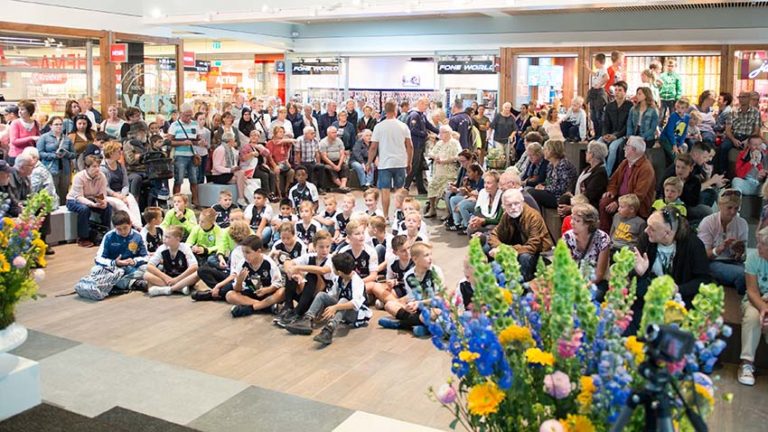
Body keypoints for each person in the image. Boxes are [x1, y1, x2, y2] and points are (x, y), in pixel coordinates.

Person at [631, 205, 711, 334]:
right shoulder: (646, 238)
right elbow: (634, 274)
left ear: (667, 233)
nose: (646, 230)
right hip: (649, 296)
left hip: (679, 300)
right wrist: (641, 272)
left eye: (651, 228)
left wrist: (678, 289)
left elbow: (703, 280)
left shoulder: (693, 244)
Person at [285, 252, 371, 345]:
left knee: (343, 300)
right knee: (322, 295)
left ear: (339, 272)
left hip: (357, 314)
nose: (331, 268)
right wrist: (321, 308)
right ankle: (307, 319)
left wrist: (335, 307)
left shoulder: (356, 281)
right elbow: (333, 295)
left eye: (333, 267)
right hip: (343, 309)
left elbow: (355, 303)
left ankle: (329, 329)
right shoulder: (339, 278)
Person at [488, 188, 553, 282]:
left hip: (537, 253)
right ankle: (496, 280)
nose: (513, 207)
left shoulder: (533, 217)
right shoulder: (506, 215)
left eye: (516, 203)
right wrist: (500, 247)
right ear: (503, 207)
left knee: (524, 257)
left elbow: (532, 246)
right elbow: (494, 235)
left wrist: (506, 250)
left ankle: (524, 283)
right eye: (509, 205)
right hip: (515, 248)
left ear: (522, 202)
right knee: (487, 247)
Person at [277, 230, 335, 327]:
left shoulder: (331, 258)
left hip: (322, 297)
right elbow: (288, 262)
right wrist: (292, 272)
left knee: (312, 275)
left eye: (327, 247)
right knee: (293, 272)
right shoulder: (310, 256)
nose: (325, 250)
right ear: (315, 246)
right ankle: (288, 307)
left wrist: (299, 268)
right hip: (307, 294)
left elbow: (323, 270)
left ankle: (298, 312)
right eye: (321, 247)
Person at [598, 136, 656, 232]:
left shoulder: (646, 169)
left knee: (612, 206)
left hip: (636, 204)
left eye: (627, 146)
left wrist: (618, 204)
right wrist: (611, 191)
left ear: (634, 150)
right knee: (605, 202)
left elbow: (638, 196)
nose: (624, 148)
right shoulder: (625, 163)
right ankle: (604, 233)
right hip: (621, 198)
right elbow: (613, 180)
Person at [697, 189, 748, 295]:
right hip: (713, 262)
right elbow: (702, 255)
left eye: (736, 208)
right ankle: (744, 296)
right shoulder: (708, 222)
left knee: (754, 273)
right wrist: (718, 250)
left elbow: (742, 258)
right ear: (720, 206)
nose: (733, 212)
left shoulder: (742, 223)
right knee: (743, 275)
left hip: (734, 262)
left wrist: (739, 253)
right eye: (729, 208)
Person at [369, 101, 413, 219]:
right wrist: (409, 162)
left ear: (385, 110)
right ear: (396, 110)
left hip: (385, 163)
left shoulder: (379, 126)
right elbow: (410, 146)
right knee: (400, 190)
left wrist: (369, 163)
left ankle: (385, 216)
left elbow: (373, 147)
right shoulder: (403, 126)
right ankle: (401, 214)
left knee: (385, 190)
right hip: (400, 162)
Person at [738, 226, 768, 386]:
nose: (757, 247)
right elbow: (752, 291)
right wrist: (764, 309)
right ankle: (746, 363)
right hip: (755, 301)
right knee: (752, 315)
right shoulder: (754, 258)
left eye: (762, 244)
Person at [226, 235, 285, 318]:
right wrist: (239, 281)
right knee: (229, 295)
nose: (245, 255)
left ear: (258, 251)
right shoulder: (242, 264)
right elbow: (237, 289)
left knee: (282, 291)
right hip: (251, 294)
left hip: (267, 293)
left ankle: (252, 308)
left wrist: (267, 289)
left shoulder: (268, 263)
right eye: (243, 252)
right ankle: (266, 307)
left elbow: (278, 283)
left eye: (248, 252)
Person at [93, 210, 148, 293]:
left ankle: (121, 282)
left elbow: (146, 257)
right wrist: (115, 262)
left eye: (125, 228)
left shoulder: (138, 236)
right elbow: (98, 258)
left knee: (149, 268)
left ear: (130, 224)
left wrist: (134, 261)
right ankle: (133, 283)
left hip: (132, 268)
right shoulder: (109, 236)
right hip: (113, 269)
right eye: (119, 229)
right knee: (95, 270)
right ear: (114, 227)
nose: (123, 231)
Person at [66, 155, 112, 248]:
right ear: (87, 167)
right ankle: (83, 238)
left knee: (108, 207)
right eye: (94, 166)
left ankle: (105, 232)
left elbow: (102, 193)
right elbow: (79, 197)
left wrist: (103, 202)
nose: (97, 169)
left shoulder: (101, 176)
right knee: (84, 209)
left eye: (98, 166)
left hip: (92, 198)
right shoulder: (79, 177)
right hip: (74, 199)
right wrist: (93, 204)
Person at [563, 203, 611, 287]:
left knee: (593, 295)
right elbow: (567, 266)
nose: (571, 223)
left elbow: (599, 274)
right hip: (574, 278)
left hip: (595, 281)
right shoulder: (567, 237)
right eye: (572, 219)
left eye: (577, 220)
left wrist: (584, 287)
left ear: (588, 224)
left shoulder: (603, 239)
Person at [144, 225, 199, 297]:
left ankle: (167, 288)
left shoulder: (185, 248)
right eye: (164, 236)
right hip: (168, 277)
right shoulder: (162, 248)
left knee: (198, 274)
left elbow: (194, 266)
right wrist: (165, 277)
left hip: (183, 277)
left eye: (167, 237)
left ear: (178, 239)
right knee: (146, 275)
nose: (164, 239)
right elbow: (150, 266)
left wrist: (176, 279)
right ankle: (179, 288)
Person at [101, 142, 142, 229]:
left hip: (121, 192)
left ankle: (139, 224)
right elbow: (105, 187)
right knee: (120, 204)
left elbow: (126, 184)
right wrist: (117, 195)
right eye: (118, 151)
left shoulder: (120, 166)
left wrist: (123, 195)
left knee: (131, 200)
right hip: (108, 194)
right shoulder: (103, 168)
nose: (121, 153)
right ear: (111, 153)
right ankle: (134, 225)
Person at [718, 92, 761, 175]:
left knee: (755, 148)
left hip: (749, 136)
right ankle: (723, 173)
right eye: (739, 97)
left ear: (749, 98)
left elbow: (756, 131)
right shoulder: (733, 111)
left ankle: (749, 173)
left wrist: (748, 140)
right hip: (734, 136)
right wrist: (734, 140)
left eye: (744, 97)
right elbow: (728, 130)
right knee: (723, 147)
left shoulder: (755, 112)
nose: (741, 99)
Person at [36, 116, 75, 206]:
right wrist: (54, 155)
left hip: (65, 170)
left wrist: (66, 154)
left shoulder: (67, 139)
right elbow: (40, 153)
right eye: (56, 124)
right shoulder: (44, 137)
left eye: (61, 124)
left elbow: (73, 154)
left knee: (64, 192)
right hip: (50, 168)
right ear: (50, 126)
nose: (59, 126)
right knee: (52, 192)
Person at [528, 139, 578, 209]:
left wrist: (545, 188)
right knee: (531, 191)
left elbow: (562, 188)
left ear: (553, 151)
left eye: (546, 149)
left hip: (560, 197)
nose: (543, 151)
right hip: (551, 192)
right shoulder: (550, 165)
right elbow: (549, 181)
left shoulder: (564, 165)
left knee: (531, 192)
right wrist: (542, 185)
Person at [425, 125, 461, 219]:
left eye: (442, 133)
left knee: (446, 190)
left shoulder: (454, 143)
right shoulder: (439, 143)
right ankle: (432, 209)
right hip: (438, 172)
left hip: (450, 173)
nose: (440, 135)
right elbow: (431, 153)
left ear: (448, 133)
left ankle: (447, 211)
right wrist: (435, 157)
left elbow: (458, 156)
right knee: (432, 186)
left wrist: (446, 160)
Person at [405, 97, 440, 195]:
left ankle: (421, 189)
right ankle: (405, 186)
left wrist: (440, 132)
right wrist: (426, 135)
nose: (427, 107)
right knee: (414, 166)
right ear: (420, 103)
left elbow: (429, 126)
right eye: (425, 104)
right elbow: (413, 130)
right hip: (415, 145)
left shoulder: (422, 115)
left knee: (420, 167)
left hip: (420, 145)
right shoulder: (414, 115)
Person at [168, 103, 201, 207]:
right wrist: (182, 143)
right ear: (181, 114)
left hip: (192, 154)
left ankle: (195, 200)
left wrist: (199, 142)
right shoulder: (174, 125)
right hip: (179, 155)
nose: (189, 117)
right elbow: (169, 142)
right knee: (179, 179)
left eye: (190, 115)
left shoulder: (195, 124)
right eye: (186, 115)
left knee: (194, 179)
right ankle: (176, 201)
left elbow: (196, 139)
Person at [601, 81, 632, 177]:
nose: (617, 92)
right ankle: (599, 170)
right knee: (598, 145)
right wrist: (605, 134)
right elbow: (605, 123)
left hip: (622, 135)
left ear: (625, 92)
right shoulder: (610, 106)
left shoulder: (629, 106)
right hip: (610, 133)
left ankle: (607, 173)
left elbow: (628, 125)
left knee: (613, 147)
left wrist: (616, 136)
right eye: (616, 90)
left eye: (620, 90)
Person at [209, 132, 247, 206]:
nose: (235, 141)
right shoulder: (220, 150)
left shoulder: (231, 149)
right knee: (241, 177)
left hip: (227, 173)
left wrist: (234, 168)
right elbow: (216, 166)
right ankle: (241, 198)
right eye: (233, 140)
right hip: (219, 175)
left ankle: (242, 198)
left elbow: (233, 163)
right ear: (230, 141)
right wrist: (230, 170)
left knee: (242, 175)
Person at [447, 163, 484, 232]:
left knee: (462, 205)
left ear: (476, 172)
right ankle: (457, 223)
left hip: (479, 202)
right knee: (453, 199)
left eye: (469, 172)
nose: (467, 174)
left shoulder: (482, 181)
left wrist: (466, 193)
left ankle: (467, 226)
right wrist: (465, 186)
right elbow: (470, 193)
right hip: (472, 199)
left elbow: (477, 196)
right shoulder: (472, 181)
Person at [466, 171, 503, 237]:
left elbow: (498, 220)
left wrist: (483, 221)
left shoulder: (502, 196)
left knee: (488, 229)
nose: (486, 186)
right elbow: (478, 210)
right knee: (470, 228)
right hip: (484, 221)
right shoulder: (483, 193)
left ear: (497, 184)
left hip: (495, 224)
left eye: (489, 183)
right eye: (485, 183)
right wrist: (475, 220)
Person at [574, 141, 609, 209]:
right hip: (579, 200)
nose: (586, 153)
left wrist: (571, 206)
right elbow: (575, 181)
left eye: (587, 151)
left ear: (591, 154)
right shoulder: (587, 168)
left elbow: (590, 195)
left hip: (589, 206)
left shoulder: (600, 173)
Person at [266, 125, 296, 199]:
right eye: (280, 132)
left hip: (283, 163)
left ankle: (285, 191)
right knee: (276, 172)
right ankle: (279, 194)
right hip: (273, 164)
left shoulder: (284, 142)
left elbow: (294, 141)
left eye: (283, 132)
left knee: (291, 171)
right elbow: (269, 157)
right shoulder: (270, 143)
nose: (282, 133)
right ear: (275, 133)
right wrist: (275, 166)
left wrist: (286, 161)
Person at [659, 98, 691, 165]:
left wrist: (680, 144)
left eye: (682, 108)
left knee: (683, 151)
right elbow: (669, 131)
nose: (679, 110)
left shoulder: (687, 117)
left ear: (686, 109)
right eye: (678, 107)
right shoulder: (673, 116)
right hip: (666, 138)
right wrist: (674, 145)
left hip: (676, 140)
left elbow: (684, 132)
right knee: (675, 155)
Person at [8, 100, 40, 164]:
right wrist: (31, 138)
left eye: (22, 109)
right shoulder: (15, 123)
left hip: (30, 156)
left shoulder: (35, 123)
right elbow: (14, 141)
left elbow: (37, 138)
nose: (19, 111)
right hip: (17, 156)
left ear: (29, 111)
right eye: (19, 109)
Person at [586, 54, 609, 138]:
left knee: (598, 116)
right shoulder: (599, 70)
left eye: (595, 61)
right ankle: (596, 134)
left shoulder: (603, 69)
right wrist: (588, 68)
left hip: (599, 93)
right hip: (594, 92)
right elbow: (595, 74)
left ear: (597, 61)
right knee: (593, 116)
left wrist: (599, 85)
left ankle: (599, 135)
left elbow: (607, 77)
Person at [658, 59, 683, 124]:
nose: (670, 68)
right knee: (661, 114)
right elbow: (658, 86)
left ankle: (672, 126)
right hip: (663, 98)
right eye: (668, 66)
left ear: (675, 67)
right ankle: (659, 128)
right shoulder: (662, 76)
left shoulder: (677, 77)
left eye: (672, 66)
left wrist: (678, 97)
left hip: (672, 98)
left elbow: (679, 88)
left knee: (673, 114)